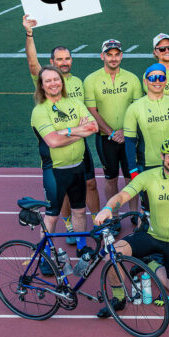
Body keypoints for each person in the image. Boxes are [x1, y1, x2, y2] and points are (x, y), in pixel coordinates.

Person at [92, 137, 169, 315]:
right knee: (112, 255)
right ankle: (119, 298)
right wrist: (108, 208)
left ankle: (150, 263)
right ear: (162, 156)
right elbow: (123, 196)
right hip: (150, 235)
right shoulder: (148, 176)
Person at [23, 14, 100, 239]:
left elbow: (90, 124)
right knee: (58, 205)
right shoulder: (44, 86)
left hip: (79, 151)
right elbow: (32, 62)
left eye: (67, 58)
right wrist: (29, 33)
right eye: (60, 59)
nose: (64, 62)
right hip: (57, 160)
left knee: (88, 186)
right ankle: (61, 232)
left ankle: (88, 231)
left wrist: (69, 131)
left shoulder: (77, 84)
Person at [30, 66, 99, 274]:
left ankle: (81, 247)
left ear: (62, 81)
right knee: (51, 216)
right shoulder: (39, 111)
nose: (53, 83)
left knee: (79, 211)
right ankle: (45, 257)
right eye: (48, 80)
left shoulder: (74, 103)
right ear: (42, 86)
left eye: (56, 79)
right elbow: (52, 141)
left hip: (77, 167)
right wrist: (80, 131)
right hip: (55, 172)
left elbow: (94, 127)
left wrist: (68, 130)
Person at [83, 39, 143, 222]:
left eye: (117, 54)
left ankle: (134, 214)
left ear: (121, 56)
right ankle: (114, 216)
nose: (113, 58)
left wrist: (125, 131)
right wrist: (111, 133)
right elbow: (92, 111)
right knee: (110, 179)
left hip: (129, 136)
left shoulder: (132, 78)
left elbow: (137, 108)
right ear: (103, 56)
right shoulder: (91, 80)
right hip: (105, 138)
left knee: (131, 177)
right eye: (109, 54)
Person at [124, 63, 169, 179]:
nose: (157, 81)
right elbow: (129, 142)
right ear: (145, 81)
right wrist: (133, 169)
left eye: (161, 78)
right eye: (153, 78)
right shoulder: (134, 108)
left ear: (166, 81)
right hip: (147, 166)